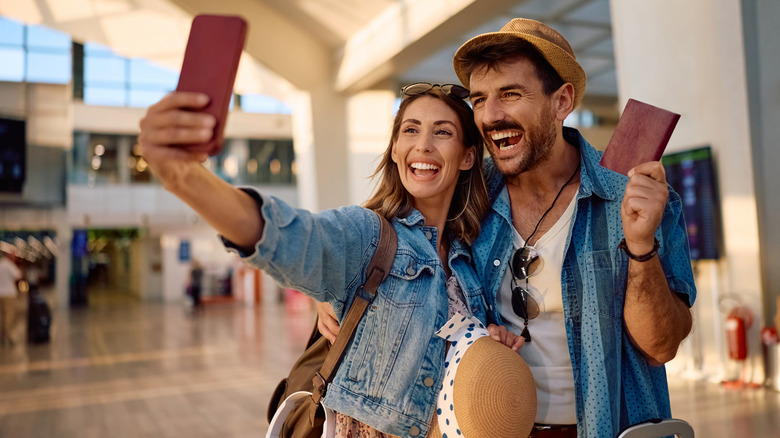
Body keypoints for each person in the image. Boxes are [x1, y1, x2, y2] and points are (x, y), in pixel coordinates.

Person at [319, 18, 697, 438]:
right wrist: (335, 283)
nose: (491, 116)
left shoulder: (628, 199)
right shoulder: (469, 194)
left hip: (609, 426)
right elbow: (393, 229)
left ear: (562, 101)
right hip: (492, 425)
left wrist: (641, 248)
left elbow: (661, 345)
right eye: (480, 99)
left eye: (511, 95)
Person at [138, 83, 522, 438]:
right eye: (409, 130)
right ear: (393, 148)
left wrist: (485, 345)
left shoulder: (468, 260)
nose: (423, 145)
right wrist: (182, 177)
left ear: (468, 156)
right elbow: (286, 236)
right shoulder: (367, 234)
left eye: (442, 132)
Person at [0, 251, 22, 346]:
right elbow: (18, 275)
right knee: (10, 316)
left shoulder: (0, 264)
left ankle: (1, 336)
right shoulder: (10, 265)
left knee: (1, 316)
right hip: (9, 294)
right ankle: (8, 336)